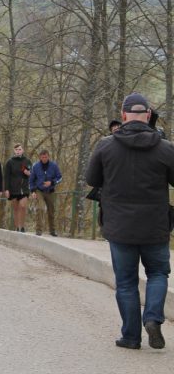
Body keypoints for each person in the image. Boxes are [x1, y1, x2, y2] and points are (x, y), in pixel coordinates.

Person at [86, 93, 174, 350]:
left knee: (126, 283)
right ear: (148, 116)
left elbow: (92, 179)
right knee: (158, 273)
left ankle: (131, 337)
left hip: (119, 226)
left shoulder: (105, 145)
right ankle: (153, 318)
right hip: (155, 226)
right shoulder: (166, 148)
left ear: (123, 116)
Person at [29, 150, 62, 237]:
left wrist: (52, 182)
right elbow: (31, 180)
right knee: (40, 208)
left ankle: (52, 230)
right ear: (40, 157)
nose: (44, 158)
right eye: (43, 157)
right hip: (39, 190)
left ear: (48, 157)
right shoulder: (35, 166)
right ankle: (38, 230)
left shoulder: (54, 166)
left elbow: (59, 177)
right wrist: (32, 191)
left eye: (46, 157)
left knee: (51, 211)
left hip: (50, 191)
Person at [4, 144, 32, 233]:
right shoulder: (10, 162)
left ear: (23, 150)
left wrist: (28, 173)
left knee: (23, 207)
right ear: (14, 151)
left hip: (24, 188)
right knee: (16, 208)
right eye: (16, 150)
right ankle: (17, 228)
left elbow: (32, 174)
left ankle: (22, 227)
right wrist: (7, 189)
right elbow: (6, 177)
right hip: (13, 189)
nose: (18, 151)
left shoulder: (27, 161)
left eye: (20, 149)